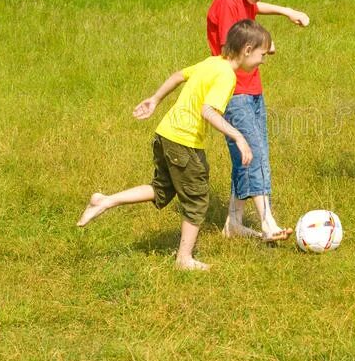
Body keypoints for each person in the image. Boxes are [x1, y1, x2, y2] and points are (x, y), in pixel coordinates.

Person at [77, 20, 272, 270]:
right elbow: (208, 111)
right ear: (247, 49)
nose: (263, 61)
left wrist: (155, 99)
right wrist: (239, 137)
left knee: (162, 189)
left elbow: (179, 75)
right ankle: (184, 258)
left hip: (165, 134)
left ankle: (105, 200)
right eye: (261, 55)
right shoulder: (226, 76)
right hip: (184, 142)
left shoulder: (213, 62)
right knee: (197, 199)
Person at [206, 0, 310, 241]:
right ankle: (267, 222)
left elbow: (254, 10)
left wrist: (286, 11)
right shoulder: (226, 3)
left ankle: (234, 223)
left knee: (249, 153)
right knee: (256, 154)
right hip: (233, 90)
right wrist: (266, 41)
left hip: (252, 88)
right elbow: (234, 42)